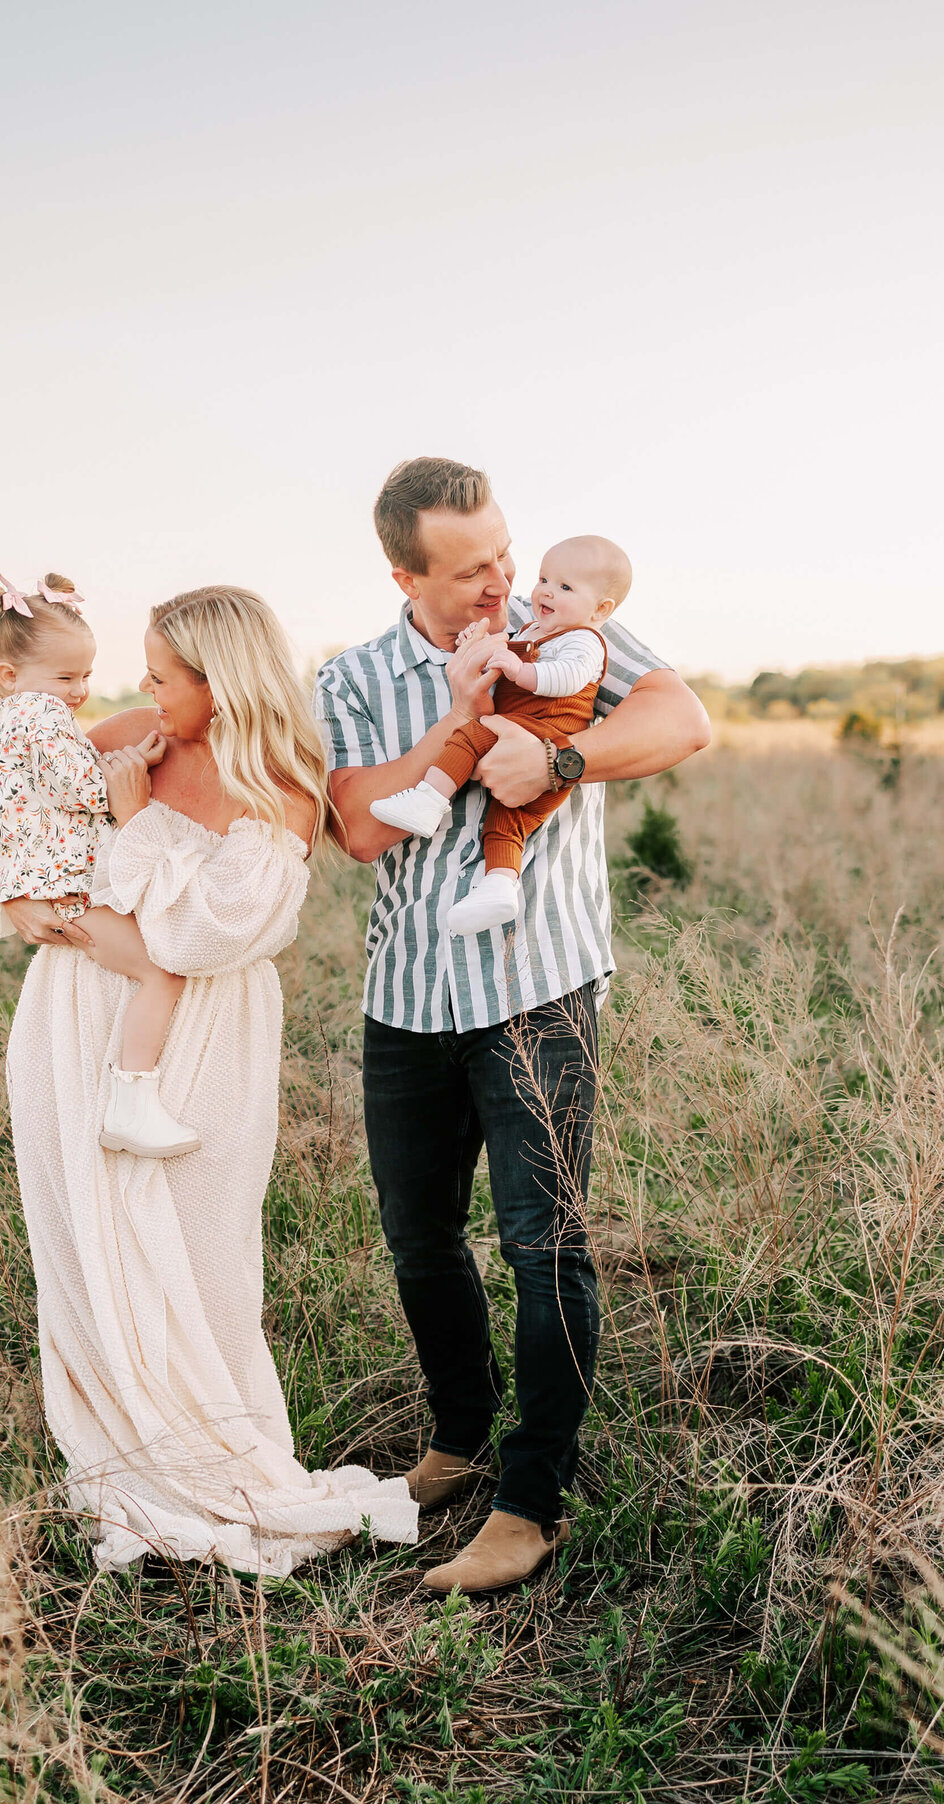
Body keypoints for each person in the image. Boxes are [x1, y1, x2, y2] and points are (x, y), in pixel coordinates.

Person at [0, 585, 418, 1577]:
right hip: (76, 1010)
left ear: (221, 680)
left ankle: (215, 1455)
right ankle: (125, 1458)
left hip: (207, 1031)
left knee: (204, 1250)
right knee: (88, 1236)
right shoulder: (128, 736)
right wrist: (24, 901)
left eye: (162, 674)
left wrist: (132, 832)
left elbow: (207, 934)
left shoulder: (283, 780)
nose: (139, 687)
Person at [315, 458, 709, 1595]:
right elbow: (354, 828)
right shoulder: (354, 674)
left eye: (504, 552)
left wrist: (563, 757)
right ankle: (457, 1432)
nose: (502, 580)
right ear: (406, 573)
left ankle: (531, 1498)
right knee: (420, 1238)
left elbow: (682, 721)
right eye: (473, 567)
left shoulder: (567, 625)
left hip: (539, 986)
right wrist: (455, 717)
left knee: (547, 1246)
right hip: (407, 994)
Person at [0, 572, 198, 1158]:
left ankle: (130, 1099)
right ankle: (132, 1100)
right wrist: (134, 766)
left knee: (155, 969)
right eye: (67, 676)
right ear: (9, 676)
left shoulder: (17, 716)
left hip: (47, 879)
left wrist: (127, 757)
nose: (80, 690)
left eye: (86, 675)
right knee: (161, 972)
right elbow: (87, 788)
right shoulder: (36, 715)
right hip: (62, 885)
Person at [370, 535, 632, 934]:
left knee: (474, 733)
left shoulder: (584, 639)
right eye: (544, 578)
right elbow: (504, 648)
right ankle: (500, 886)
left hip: (548, 735)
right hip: (528, 736)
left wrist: (518, 669)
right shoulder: (534, 628)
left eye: (565, 587)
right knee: (505, 823)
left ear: (601, 609)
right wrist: (478, 644)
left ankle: (429, 799)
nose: (545, 591)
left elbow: (567, 677)